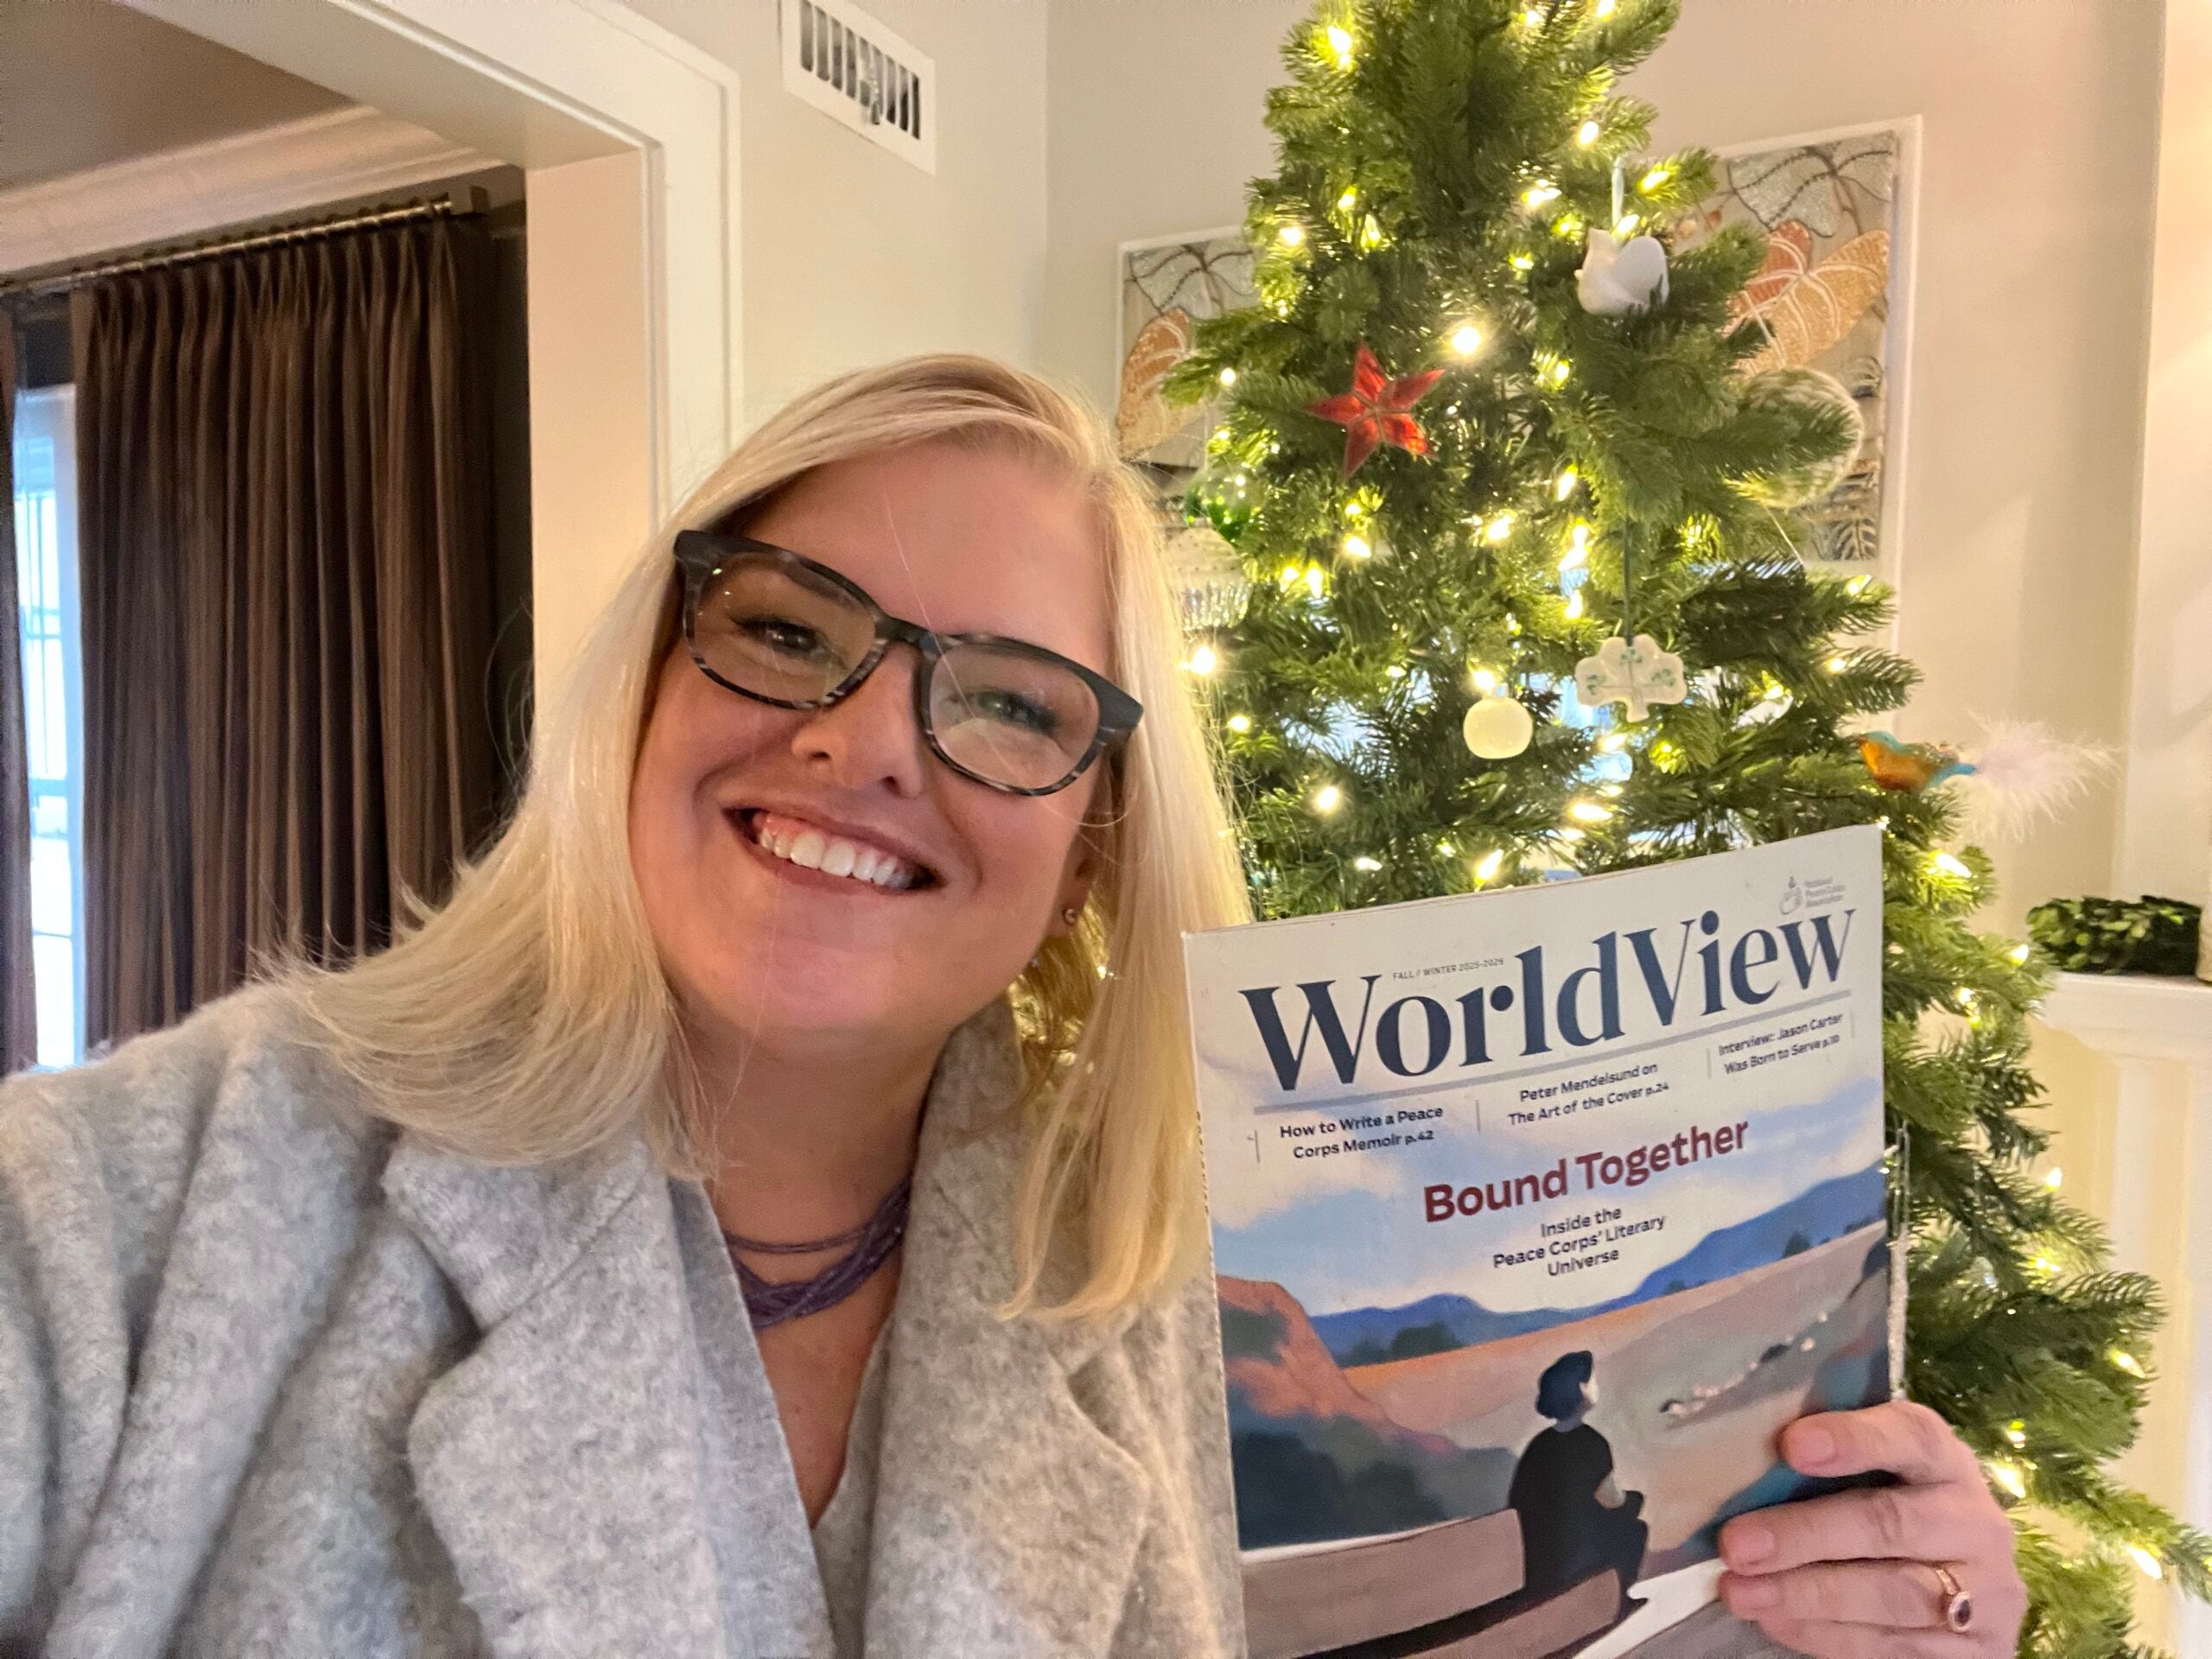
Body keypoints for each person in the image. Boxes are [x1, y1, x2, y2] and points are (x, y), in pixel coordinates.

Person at [0, 355, 2027, 1659]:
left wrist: (1864, 1610)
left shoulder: (1182, 1311)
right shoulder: (127, 1220)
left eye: (1006, 703)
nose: (865, 741)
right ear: (643, 679)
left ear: (1090, 840)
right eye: (785, 629)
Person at [1509, 1351, 1647, 1617]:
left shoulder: (1538, 1446)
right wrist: (1635, 1499)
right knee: (1635, 1527)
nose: (1596, 1386)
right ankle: (1618, 1603)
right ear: (1582, 1389)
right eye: (1593, 1380)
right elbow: (1613, 1502)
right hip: (1573, 1562)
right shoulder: (1591, 1443)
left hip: (1537, 1563)